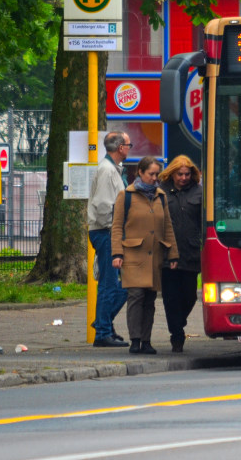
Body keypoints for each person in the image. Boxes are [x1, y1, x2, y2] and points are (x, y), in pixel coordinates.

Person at [111, 156, 179, 355]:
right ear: (140, 172)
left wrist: (173, 254)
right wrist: (117, 253)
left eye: (157, 174)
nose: (155, 178)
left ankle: (146, 341)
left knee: (150, 299)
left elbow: (168, 226)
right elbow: (117, 227)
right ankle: (135, 339)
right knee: (136, 295)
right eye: (151, 174)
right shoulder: (127, 195)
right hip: (133, 254)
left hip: (155, 255)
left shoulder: (161, 196)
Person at [87, 131, 131, 347]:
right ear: (121, 147)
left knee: (121, 283)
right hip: (106, 231)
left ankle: (104, 323)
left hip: (108, 231)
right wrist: (115, 230)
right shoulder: (107, 171)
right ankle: (103, 331)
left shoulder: (111, 169)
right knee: (110, 284)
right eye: (129, 145)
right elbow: (104, 205)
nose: (130, 148)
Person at [159, 155, 202, 353]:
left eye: (187, 174)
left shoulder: (199, 192)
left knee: (190, 295)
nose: (183, 178)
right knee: (170, 297)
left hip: (190, 252)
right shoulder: (162, 192)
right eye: (180, 174)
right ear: (172, 173)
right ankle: (176, 334)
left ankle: (179, 321)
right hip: (167, 253)